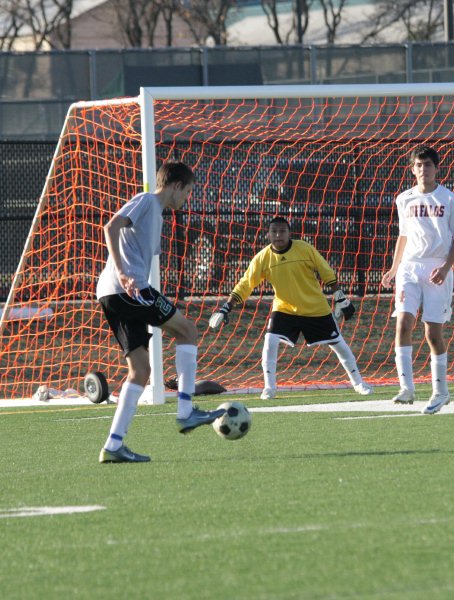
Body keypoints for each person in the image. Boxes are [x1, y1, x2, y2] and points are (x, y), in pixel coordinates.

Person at [96, 161, 225, 463]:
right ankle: (185, 412)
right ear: (177, 185)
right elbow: (111, 226)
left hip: (115, 293)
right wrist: (123, 272)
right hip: (128, 290)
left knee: (141, 371)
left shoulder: (156, 214)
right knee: (188, 331)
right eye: (188, 192)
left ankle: (113, 447)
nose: (187, 199)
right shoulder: (146, 201)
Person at [208, 216, 372, 399]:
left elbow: (325, 270)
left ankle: (359, 383)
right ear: (268, 234)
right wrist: (226, 307)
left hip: (315, 308)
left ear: (289, 233)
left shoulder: (304, 249)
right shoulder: (262, 258)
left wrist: (339, 296)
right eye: (274, 231)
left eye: (282, 231)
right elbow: (245, 285)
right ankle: (269, 388)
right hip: (284, 308)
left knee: (338, 344)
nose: (278, 235)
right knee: (270, 341)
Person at [380, 146, 454, 415]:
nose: (424, 170)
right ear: (412, 169)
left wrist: (446, 267)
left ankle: (440, 391)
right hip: (409, 269)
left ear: (437, 168)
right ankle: (406, 388)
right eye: (419, 165)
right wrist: (394, 268)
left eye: (428, 165)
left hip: (436, 269)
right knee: (403, 324)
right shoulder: (403, 199)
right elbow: (403, 236)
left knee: (433, 332)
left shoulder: (449, 199)